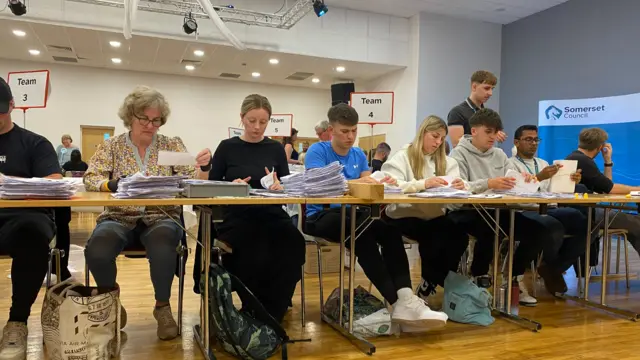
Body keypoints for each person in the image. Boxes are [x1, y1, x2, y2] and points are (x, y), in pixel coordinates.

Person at [83, 86, 212, 341]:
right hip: (119, 216)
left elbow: (190, 182)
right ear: (130, 116)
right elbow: (91, 177)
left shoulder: (171, 144)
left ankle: (162, 307)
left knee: (164, 244)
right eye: (144, 119)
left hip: (161, 215)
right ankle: (110, 299)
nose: (151, 125)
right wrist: (112, 184)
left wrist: (204, 167)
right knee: (97, 248)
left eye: (156, 120)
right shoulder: (113, 146)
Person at [305, 103, 448, 330]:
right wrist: (359, 182)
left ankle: (405, 296)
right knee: (361, 235)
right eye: (344, 131)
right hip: (321, 215)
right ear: (331, 130)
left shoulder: (358, 154)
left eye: (354, 131)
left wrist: (382, 183)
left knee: (389, 230)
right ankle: (398, 302)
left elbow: (367, 189)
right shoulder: (318, 151)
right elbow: (319, 186)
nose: (350, 136)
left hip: (355, 214)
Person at [449, 108, 561, 306]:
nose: (493, 137)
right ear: (474, 131)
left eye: (496, 132)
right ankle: (479, 278)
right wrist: (488, 183)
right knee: (491, 230)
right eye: (488, 132)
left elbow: (510, 184)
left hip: (498, 209)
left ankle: (514, 278)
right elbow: (460, 187)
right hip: (467, 210)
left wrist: (525, 181)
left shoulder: (499, 154)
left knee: (539, 232)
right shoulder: (458, 155)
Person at [209, 94, 305, 324]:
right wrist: (230, 186)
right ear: (242, 118)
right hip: (237, 216)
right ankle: (256, 308)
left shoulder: (274, 148)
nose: (257, 127)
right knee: (254, 249)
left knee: (294, 243)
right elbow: (211, 186)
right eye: (252, 121)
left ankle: (273, 309)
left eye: (263, 122)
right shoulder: (226, 147)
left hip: (271, 213)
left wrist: (279, 186)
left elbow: (286, 184)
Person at [0, 77, 61, 360]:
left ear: (12, 105)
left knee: (33, 233)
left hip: (23, 216)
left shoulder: (35, 143)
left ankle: (17, 322)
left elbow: (54, 181)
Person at [381, 115, 469, 300]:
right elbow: (390, 185)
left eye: (442, 139)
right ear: (423, 133)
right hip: (402, 215)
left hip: (433, 215)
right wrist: (424, 183)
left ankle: (432, 280)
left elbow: (459, 191)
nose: (438, 142)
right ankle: (431, 282)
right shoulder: (402, 157)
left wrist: (461, 187)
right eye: (435, 136)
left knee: (459, 236)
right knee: (433, 237)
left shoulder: (447, 162)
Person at [509, 125, 587, 294]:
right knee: (552, 226)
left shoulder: (543, 163)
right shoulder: (510, 164)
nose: (533, 143)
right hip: (523, 209)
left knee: (583, 221)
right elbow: (514, 193)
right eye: (528, 139)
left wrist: (571, 181)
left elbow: (554, 191)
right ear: (516, 142)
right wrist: (539, 177)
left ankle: (554, 268)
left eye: (536, 139)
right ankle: (550, 270)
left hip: (548, 206)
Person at [565, 128, 640, 262]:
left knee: (635, 222)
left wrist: (607, 161)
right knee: (636, 224)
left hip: (585, 211)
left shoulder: (578, 157)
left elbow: (605, 187)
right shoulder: (583, 161)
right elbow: (610, 189)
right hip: (587, 213)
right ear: (600, 147)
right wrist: (637, 188)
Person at [447, 70, 506, 148]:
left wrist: (493, 134)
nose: (490, 93)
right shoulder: (457, 112)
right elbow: (457, 144)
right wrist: (486, 135)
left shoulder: (488, 115)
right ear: (474, 87)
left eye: (492, 89)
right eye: (487, 88)